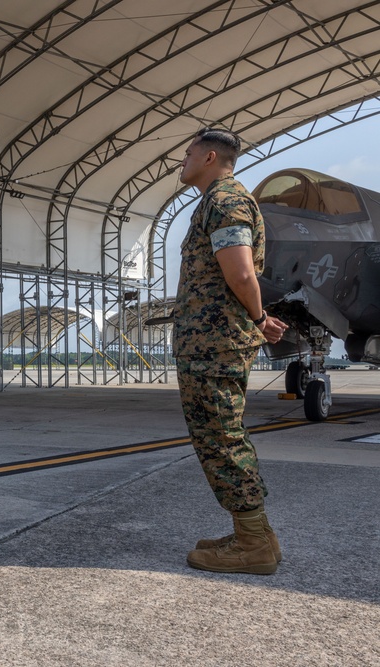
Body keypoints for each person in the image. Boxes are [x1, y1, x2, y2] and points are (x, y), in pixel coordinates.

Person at [174, 127, 289, 574]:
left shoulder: (225, 202)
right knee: (221, 436)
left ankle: (253, 543)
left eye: (187, 154)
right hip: (211, 343)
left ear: (208, 157)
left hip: (215, 344)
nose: (181, 162)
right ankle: (257, 534)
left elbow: (241, 275)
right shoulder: (215, 203)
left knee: (220, 438)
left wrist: (260, 320)